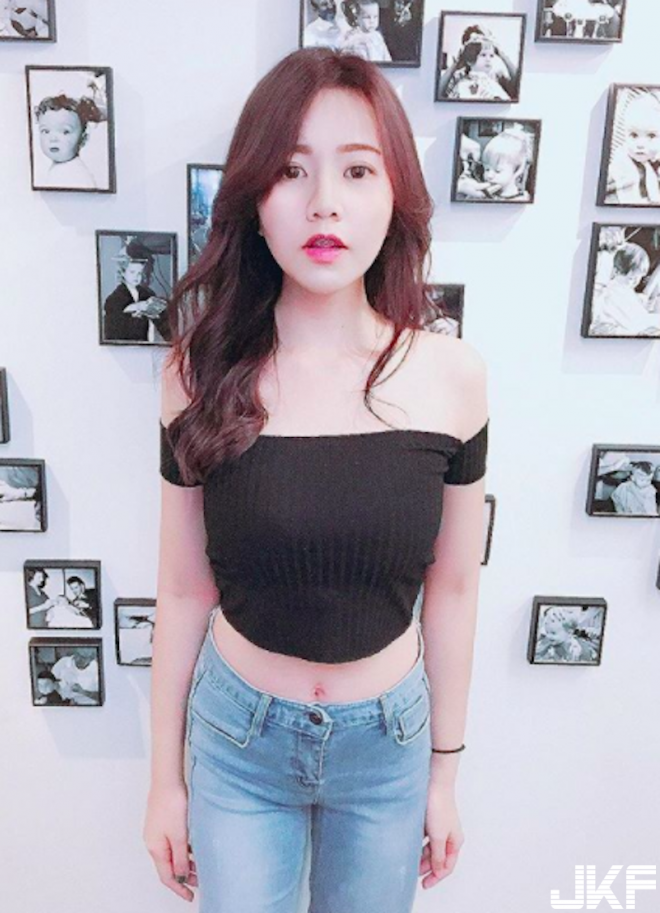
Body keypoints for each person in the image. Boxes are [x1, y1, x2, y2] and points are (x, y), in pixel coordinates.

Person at [144, 47, 488, 912]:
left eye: (357, 170)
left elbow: (452, 588)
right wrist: (164, 782)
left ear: (394, 196)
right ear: (254, 200)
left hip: (389, 744)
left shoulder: (451, 377)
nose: (324, 202)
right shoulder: (198, 374)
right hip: (237, 740)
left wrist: (444, 773)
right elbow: (183, 588)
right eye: (292, 170)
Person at [103, 239, 170, 343]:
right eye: (132, 272)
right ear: (123, 273)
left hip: (146, 344)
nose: (136, 277)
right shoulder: (114, 299)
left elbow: (164, 327)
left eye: (139, 273)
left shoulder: (147, 294)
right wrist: (136, 308)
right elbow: (112, 329)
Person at [33, 93, 103, 189]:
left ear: (84, 138)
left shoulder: (75, 174)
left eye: (65, 132)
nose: (53, 139)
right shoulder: (59, 169)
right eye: (46, 131)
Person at [590, 242, 660, 336]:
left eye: (638, 277)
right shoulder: (615, 292)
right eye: (631, 278)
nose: (635, 282)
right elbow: (636, 321)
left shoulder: (621, 290)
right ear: (616, 271)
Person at [605, 93, 660, 206]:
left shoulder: (650, 161)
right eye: (634, 135)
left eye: (651, 136)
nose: (640, 144)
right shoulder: (622, 163)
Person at [438, 24, 519, 101]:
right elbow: (438, 94)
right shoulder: (458, 77)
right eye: (482, 54)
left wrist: (501, 54)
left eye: (491, 55)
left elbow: (519, 86)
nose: (488, 59)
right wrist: (455, 64)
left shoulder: (498, 76)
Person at [457, 126, 533, 202]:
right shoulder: (477, 195)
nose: (489, 176)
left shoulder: (522, 200)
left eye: (497, 171)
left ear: (517, 170)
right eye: (487, 169)